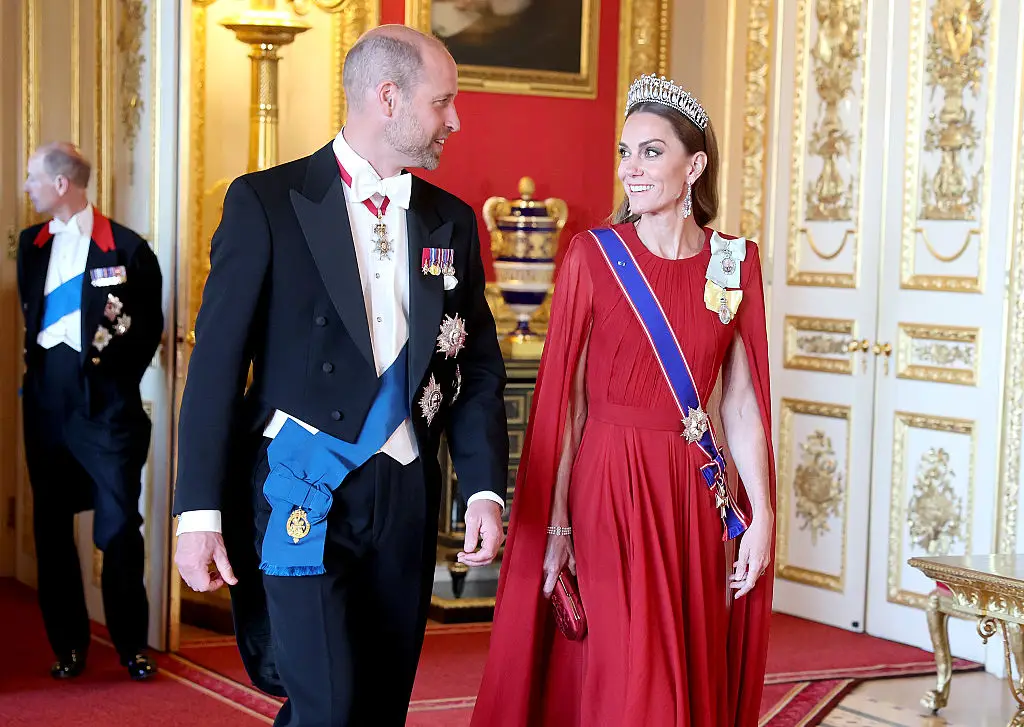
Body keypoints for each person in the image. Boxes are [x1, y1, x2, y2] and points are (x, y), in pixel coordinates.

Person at [172, 24, 509, 727]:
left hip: (406, 495)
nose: (456, 119)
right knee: (326, 706)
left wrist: (483, 489)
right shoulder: (266, 202)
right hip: (303, 485)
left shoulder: (450, 221)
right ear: (388, 97)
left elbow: (474, 367)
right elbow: (215, 368)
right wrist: (197, 512)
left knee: (381, 707)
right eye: (443, 102)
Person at [471, 75, 776, 726]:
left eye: (650, 152)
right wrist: (557, 526)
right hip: (609, 482)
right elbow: (567, 406)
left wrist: (764, 512)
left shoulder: (735, 262)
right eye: (624, 152)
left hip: (693, 488)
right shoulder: (594, 255)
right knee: (634, 667)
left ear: (693, 165)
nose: (631, 169)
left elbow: (742, 401)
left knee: (683, 654)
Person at [17, 142, 163, 681]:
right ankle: (70, 647)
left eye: (33, 178)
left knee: (121, 527)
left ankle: (132, 645)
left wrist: (110, 382)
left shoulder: (126, 248)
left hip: (106, 409)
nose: (26, 187)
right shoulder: (31, 247)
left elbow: (147, 327)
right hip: (47, 406)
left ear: (61, 184)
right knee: (52, 529)